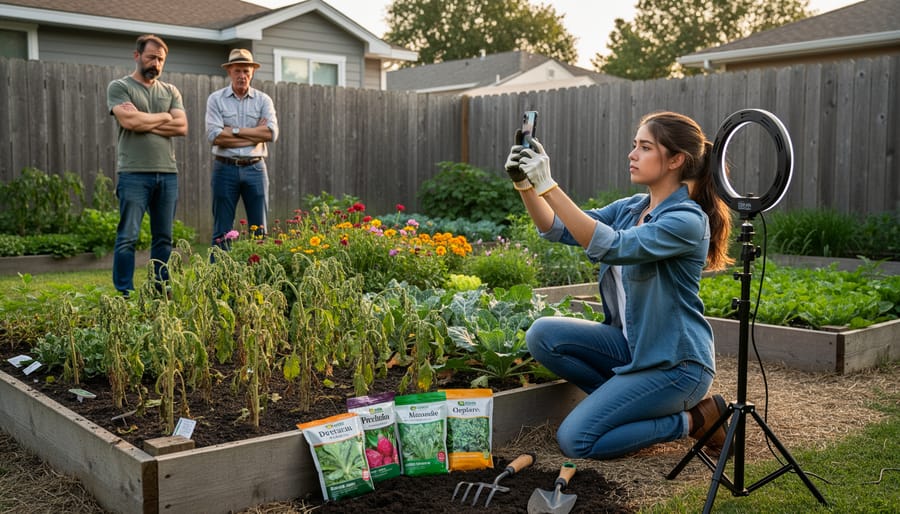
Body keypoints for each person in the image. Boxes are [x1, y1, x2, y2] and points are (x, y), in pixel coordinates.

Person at [504, 111, 734, 460]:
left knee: (576, 440)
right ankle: (624, 407)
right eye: (634, 145)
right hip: (632, 348)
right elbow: (558, 227)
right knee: (543, 335)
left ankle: (693, 420)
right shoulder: (632, 208)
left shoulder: (686, 221)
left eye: (644, 147)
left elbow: (612, 245)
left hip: (675, 366)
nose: (632, 154)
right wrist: (526, 185)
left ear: (675, 160)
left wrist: (548, 184)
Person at [107, 34, 188, 296]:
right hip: (133, 173)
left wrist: (147, 119)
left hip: (167, 173)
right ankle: (124, 293)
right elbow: (130, 123)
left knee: (163, 238)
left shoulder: (171, 91)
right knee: (127, 237)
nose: (156, 62)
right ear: (137, 56)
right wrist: (165, 116)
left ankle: (159, 288)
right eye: (151, 56)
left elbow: (182, 126)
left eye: (161, 59)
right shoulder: (120, 87)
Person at [205, 49, 279, 249]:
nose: (242, 76)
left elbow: (271, 134)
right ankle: (219, 277)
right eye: (237, 71)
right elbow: (215, 136)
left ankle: (257, 277)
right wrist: (254, 134)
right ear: (230, 71)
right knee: (222, 231)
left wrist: (234, 132)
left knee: (259, 230)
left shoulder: (264, 100)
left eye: (246, 71)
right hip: (224, 169)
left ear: (252, 72)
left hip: (255, 169)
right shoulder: (216, 99)